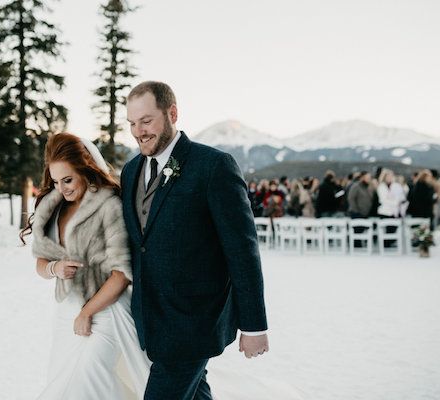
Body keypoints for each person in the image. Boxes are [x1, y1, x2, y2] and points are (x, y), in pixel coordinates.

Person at [122, 81, 269, 400]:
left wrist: (254, 324)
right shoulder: (131, 170)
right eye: (132, 123)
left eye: (146, 121)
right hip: (152, 320)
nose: (138, 131)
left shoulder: (213, 166)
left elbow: (242, 250)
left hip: (196, 320)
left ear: (172, 113)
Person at [21, 133, 151, 399]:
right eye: (56, 181)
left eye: (68, 180)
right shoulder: (54, 206)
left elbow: (122, 274)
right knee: (68, 385)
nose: (62, 188)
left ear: (86, 169)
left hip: (106, 312)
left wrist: (87, 312)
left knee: (83, 383)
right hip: (65, 314)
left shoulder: (109, 206)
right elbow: (41, 263)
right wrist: (54, 269)